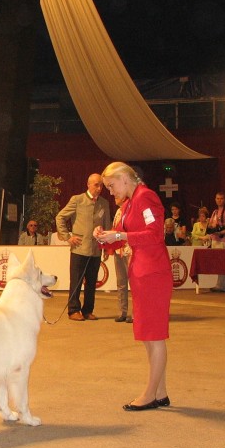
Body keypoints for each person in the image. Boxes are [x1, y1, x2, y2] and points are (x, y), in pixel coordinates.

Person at [95, 162, 173, 411]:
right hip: (141, 273)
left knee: (154, 336)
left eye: (111, 185)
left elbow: (154, 234)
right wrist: (105, 236)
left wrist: (119, 236)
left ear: (124, 179)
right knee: (148, 336)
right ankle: (160, 392)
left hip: (153, 273)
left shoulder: (145, 197)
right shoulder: (129, 204)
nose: (110, 191)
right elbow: (120, 238)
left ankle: (150, 394)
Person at [56, 173, 111, 321]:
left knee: (92, 282)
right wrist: (68, 237)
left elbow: (107, 226)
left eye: (101, 185)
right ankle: (73, 310)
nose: (99, 188)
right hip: (79, 249)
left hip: (96, 250)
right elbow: (60, 217)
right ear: (88, 185)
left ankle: (88, 310)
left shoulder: (104, 203)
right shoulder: (77, 200)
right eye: (96, 185)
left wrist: (106, 246)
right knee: (76, 281)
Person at [101, 194, 132, 323]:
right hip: (119, 250)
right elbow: (114, 231)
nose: (114, 197)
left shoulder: (131, 210)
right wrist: (109, 248)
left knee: (134, 284)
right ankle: (122, 311)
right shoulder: (119, 211)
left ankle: (137, 313)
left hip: (130, 250)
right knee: (121, 282)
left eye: (117, 195)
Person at [206, 192, 225, 291]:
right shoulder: (214, 212)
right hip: (214, 240)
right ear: (215, 199)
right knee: (217, 263)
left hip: (222, 240)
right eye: (218, 198)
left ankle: (222, 285)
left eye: (221, 198)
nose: (219, 200)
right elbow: (210, 226)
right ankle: (219, 284)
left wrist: (221, 232)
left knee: (222, 263)